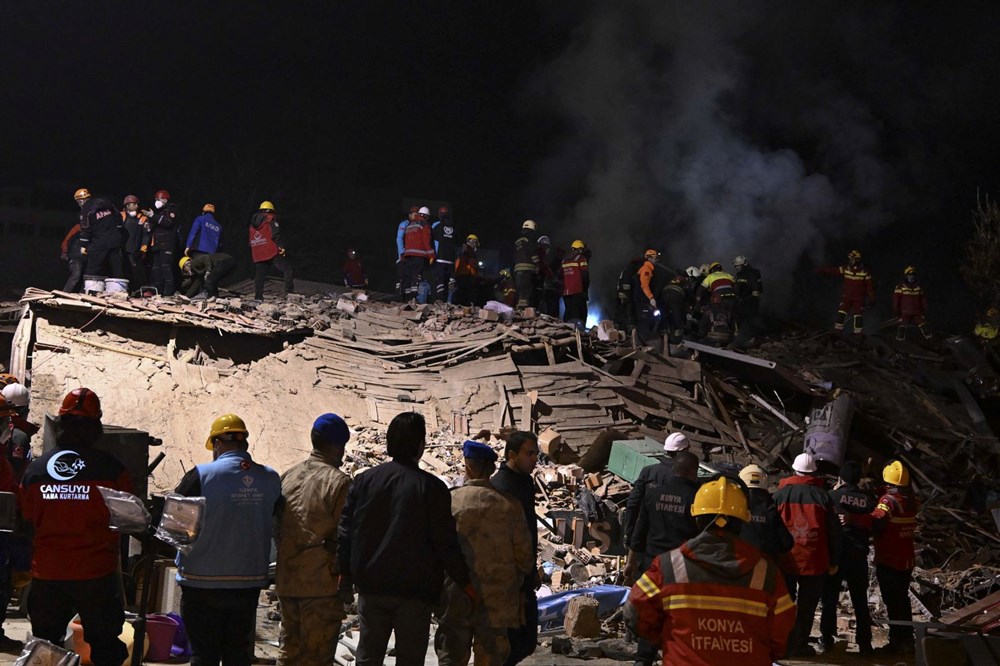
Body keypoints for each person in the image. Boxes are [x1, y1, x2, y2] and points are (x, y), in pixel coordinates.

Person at [337, 412, 471, 666]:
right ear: (420, 445)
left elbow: (346, 532)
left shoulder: (365, 481)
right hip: (415, 595)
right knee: (410, 660)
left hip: (372, 588)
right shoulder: (432, 489)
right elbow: (445, 543)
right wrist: (465, 581)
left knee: (367, 657)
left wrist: (345, 575)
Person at [627, 476, 796, 666]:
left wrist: (666, 639)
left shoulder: (668, 566)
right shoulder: (765, 572)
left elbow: (635, 610)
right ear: (742, 522)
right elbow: (783, 629)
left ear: (697, 518)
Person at [20, 388, 133, 665]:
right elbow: (129, 519)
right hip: (96, 575)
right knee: (105, 646)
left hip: (48, 574)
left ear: (60, 424)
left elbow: (26, 518)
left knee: (46, 647)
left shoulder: (36, 470)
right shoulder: (112, 470)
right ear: (97, 425)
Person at [175, 414, 281, 666]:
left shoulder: (200, 475)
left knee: (204, 654)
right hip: (247, 583)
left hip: (201, 583)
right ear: (243, 443)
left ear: (218, 443)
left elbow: (174, 525)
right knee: (237, 654)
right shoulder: (271, 478)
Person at [435, 441, 534, 666]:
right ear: (491, 469)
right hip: (498, 598)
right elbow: (525, 557)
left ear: (467, 466)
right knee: (491, 656)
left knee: (452, 655)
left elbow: (437, 550)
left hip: (457, 594)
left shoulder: (450, 502)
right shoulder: (510, 505)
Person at [274, 414, 353, 666]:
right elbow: (346, 536)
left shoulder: (287, 476)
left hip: (287, 581)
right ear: (337, 446)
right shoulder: (339, 482)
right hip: (320, 587)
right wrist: (345, 581)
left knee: (289, 652)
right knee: (316, 657)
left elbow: (275, 527)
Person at [626, 450, 701, 666]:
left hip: (653, 565)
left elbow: (639, 532)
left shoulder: (654, 493)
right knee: (680, 617)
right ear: (693, 471)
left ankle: (643, 659)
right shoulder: (698, 495)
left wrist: (630, 562)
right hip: (683, 566)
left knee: (651, 612)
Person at [773, 452, 840, 657]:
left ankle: (783, 644)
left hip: (786, 559)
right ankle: (800, 645)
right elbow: (834, 531)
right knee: (807, 606)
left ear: (794, 470)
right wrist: (834, 560)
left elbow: (772, 528)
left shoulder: (779, 495)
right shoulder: (823, 497)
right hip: (814, 560)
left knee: (783, 605)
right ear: (814, 473)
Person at [490, 431, 540, 666]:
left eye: (536, 454)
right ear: (512, 454)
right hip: (509, 578)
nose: (534, 459)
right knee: (512, 641)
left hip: (524, 572)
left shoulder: (525, 482)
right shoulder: (501, 486)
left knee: (526, 640)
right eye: (529, 454)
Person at [820, 461, 875, 655]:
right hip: (858, 556)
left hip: (837, 555)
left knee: (829, 599)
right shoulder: (868, 500)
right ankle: (865, 644)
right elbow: (876, 522)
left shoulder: (831, 497)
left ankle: (826, 640)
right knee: (860, 601)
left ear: (840, 478)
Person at [871, 460, 919, 656]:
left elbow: (877, 520)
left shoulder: (887, 502)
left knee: (892, 602)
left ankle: (896, 642)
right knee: (903, 600)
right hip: (906, 560)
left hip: (889, 559)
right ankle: (907, 640)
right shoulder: (912, 501)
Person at [623, 432, 690, 547]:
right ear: (685, 451)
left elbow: (633, 504)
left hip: (649, 539)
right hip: (677, 542)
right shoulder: (689, 476)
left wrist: (628, 533)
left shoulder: (649, 471)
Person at [738, 464, 794, 562]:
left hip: (739, 566)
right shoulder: (770, 508)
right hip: (765, 567)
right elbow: (786, 543)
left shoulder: (733, 508)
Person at [817, 250, 875, 334]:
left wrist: (872, 298)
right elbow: (833, 270)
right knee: (841, 312)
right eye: (850, 259)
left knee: (858, 315)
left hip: (859, 298)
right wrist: (820, 270)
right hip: (846, 297)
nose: (850, 261)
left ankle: (858, 335)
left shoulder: (865, 272)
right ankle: (837, 331)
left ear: (857, 260)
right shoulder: (846, 268)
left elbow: (870, 287)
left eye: (852, 259)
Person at [75, 187, 125, 281]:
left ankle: (91, 291)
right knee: (117, 269)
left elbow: (86, 228)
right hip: (115, 242)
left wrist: (83, 245)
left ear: (80, 200)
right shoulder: (107, 204)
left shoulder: (86, 210)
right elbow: (119, 218)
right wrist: (118, 232)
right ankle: (120, 291)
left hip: (98, 244)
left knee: (93, 269)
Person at [249, 201, 294, 300]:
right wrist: (281, 247)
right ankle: (289, 294)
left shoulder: (252, 225)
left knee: (259, 275)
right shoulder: (270, 219)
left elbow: (250, 241)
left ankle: (258, 298)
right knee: (287, 268)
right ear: (271, 210)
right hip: (270, 250)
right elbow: (275, 235)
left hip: (258, 252)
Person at [143, 189, 180, 296]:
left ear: (165, 200)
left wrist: (152, 216)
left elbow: (167, 223)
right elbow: (154, 226)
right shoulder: (158, 212)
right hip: (157, 245)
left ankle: (168, 293)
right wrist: (148, 226)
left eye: (159, 199)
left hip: (167, 245)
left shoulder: (171, 210)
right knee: (156, 270)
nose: (157, 201)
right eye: (156, 199)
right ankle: (157, 292)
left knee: (166, 269)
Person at [400, 207, 436, 301]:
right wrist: (432, 255)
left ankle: (406, 298)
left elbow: (405, 239)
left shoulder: (410, 224)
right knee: (417, 277)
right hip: (419, 255)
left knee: (409, 276)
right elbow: (426, 241)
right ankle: (414, 298)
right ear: (427, 216)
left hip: (408, 255)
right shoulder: (424, 225)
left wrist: (403, 253)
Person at [893, 266, 931, 340]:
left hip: (917, 311)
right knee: (902, 327)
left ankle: (930, 340)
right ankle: (899, 341)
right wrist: (896, 311)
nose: (912, 277)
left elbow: (922, 299)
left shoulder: (918, 287)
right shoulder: (900, 286)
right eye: (910, 275)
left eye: (913, 275)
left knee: (923, 325)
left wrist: (925, 308)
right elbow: (896, 300)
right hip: (905, 312)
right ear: (906, 276)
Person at [121, 195, 151, 289]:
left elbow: (146, 234)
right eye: (134, 204)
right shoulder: (121, 216)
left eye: (137, 204)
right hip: (122, 249)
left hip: (135, 251)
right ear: (127, 205)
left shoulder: (142, 218)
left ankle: (135, 290)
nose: (137, 206)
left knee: (136, 272)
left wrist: (143, 247)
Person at [634, 249, 661, 345]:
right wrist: (651, 298)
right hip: (643, 301)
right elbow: (644, 285)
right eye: (655, 257)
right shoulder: (646, 269)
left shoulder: (647, 269)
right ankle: (646, 344)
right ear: (649, 258)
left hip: (642, 301)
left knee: (646, 321)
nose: (656, 260)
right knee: (644, 322)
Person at [561, 240, 590, 328]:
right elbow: (585, 276)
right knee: (580, 314)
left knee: (568, 313)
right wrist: (585, 290)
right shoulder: (581, 258)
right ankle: (579, 334)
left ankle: (565, 330)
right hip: (578, 291)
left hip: (566, 293)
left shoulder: (564, 260)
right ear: (580, 249)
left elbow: (560, 276)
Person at [432, 206, 458, 303]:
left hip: (440, 258)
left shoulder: (437, 225)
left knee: (440, 280)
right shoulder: (453, 227)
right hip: (451, 260)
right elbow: (456, 242)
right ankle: (446, 301)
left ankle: (440, 300)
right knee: (447, 281)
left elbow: (430, 238)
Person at [513, 220, 540, 308]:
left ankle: (519, 309)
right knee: (527, 290)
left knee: (520, 291)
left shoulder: (518, 240)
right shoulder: (529, 239)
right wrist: (538, 265)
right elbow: (532, 253)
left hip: (517, 268)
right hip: (527, 268)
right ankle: (526, 310)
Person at [614, 256, 644, 333]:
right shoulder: (630, 270)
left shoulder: (627, 269)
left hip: (621, 293)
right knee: (628, 310)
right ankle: (630, 329)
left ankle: (617, 327)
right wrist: (628, 294)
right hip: (625, 293)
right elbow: (626, 283)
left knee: (621, 311)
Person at [733, 255, 763, 327]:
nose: (736, 268)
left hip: (749, 303)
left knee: (749, 322)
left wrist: (745, 300)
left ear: (743, 264)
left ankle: (750, 335)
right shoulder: (740, 274)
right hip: (742, 302)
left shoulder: (751, 274)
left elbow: (756, 292)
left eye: (738, 266)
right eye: (735, 266)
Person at [454, 234, 480, 306]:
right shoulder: (468, 249)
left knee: (462, 293)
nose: (476, 246)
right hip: (466, 274)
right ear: (473, 241)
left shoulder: (465, 249)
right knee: (465, 294)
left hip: (463, 273)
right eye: (476, 243)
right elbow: (471, 262)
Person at [59, 220, 85, 292]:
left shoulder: (96, 229)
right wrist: (64, 252)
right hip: (75, 256)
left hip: (87, 258)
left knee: (87, 278)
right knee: (76, 273)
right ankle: (65, 293)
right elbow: (66, 240)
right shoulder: (78, 227)